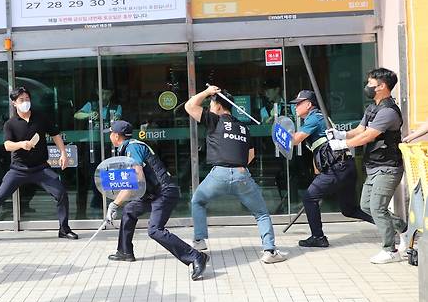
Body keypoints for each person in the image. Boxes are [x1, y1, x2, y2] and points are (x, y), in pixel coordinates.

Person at [0, 87, 78, 243]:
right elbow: (7, 145)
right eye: (21, 100)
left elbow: (55, 134)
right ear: (14, 103)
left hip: (41, 168)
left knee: (61, 194)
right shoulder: (10, 123)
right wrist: (22, 144)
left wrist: (63, 153)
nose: (25, 102)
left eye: (27, 99)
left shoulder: (41, 118)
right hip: (18, 170)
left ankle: (64, 229)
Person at [184, 85, 287, 264]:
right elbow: (251, 155)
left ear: (217, 105)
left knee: (198, 201)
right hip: (242, 174)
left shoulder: (213, 120)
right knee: (261, 213)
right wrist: (237, 169)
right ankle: (269, 251)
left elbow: (190, 106)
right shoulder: (243, 127)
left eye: (211, 103)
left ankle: (199, 241)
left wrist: (207, 92)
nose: (209, 106)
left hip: (218, 175)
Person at [104, 121, 208, 281]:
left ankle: (196, 256)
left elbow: (136, 179)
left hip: (164, 192)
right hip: (152, 193)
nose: (109, 136)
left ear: (116, 135)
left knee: (154, 230)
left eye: (110, 133)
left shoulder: (132, 148)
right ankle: (125, 251)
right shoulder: (129, 147)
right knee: (130, 210)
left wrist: (114, 203)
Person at [327, 68, 407, 264]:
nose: (367, 87)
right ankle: (405, 229)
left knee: (377, 208)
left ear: (382, 86)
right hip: (373, 166)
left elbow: (368, 136)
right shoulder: (373, 108)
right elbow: (360, 130)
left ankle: (390, 250)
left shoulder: (388, 111)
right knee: (366, 206)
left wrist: (342, 145)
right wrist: (341, 134)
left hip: (387, 167)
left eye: (371, 83)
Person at [289, 90, 374, 248]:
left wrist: (279, 133)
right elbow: (320, 148)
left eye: (298, 104)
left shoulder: (314, 118)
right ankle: (390, 224)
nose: (295, 107)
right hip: (345, 166)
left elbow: (295, 140)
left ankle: (318, 237)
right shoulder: (321, 118)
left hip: (337, 168)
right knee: (349, 210)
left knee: (309, 197)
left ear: (309, 105)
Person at [74, 88, 122, 216]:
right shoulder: (91, 105)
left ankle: (103, 201)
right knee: (93, 172)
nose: (104, 95)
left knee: (108, 173)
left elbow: (118, 119)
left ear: (111, 93)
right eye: (102, 92)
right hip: (92, 145)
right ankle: (95, 202)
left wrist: (116, 118)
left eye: (107, 92)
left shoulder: (116, 107)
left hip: (109, 145)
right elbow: (77, 115)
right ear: (97, 93)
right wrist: (88, 115)